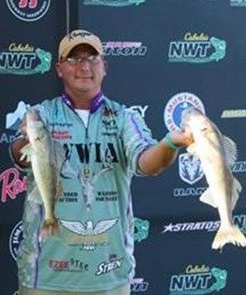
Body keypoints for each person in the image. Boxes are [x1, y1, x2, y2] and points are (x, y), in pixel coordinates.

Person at [10, 29, 193, 295]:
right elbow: (19, 156)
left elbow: (147, 163)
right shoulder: (40, 115)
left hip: (109, 274)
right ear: (60, 68)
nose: (84, 66)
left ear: (104, 67)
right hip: (44, 273)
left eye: (92, 58)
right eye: (73, 59)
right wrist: (26, 139)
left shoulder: (124, 118)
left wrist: (171, 143)